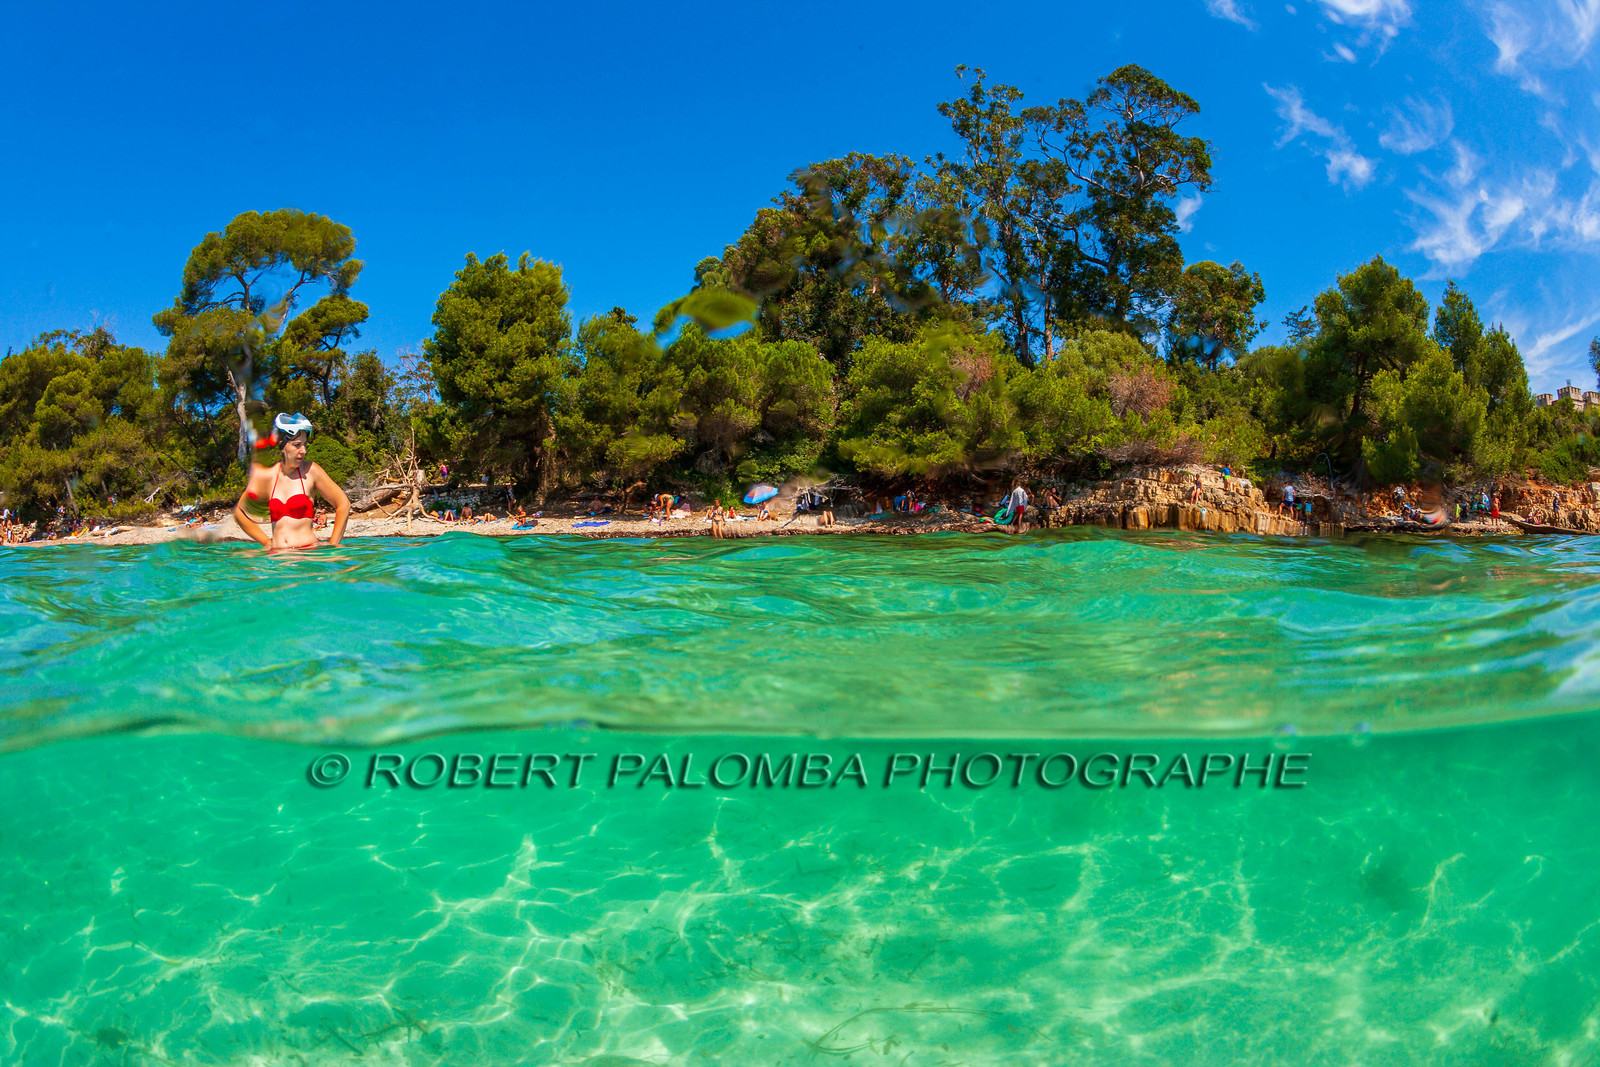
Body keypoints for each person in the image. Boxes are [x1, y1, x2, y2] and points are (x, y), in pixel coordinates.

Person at [233, 412, 351, 551]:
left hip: (308, 555)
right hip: (278, 559)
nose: (304, 450)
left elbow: (343, 504)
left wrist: (333, 545)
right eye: (297, 445)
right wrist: (266, 542)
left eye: (305, 445)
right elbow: (239, 511)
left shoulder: (311, 470)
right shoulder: (268, 476)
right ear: (282, 446)